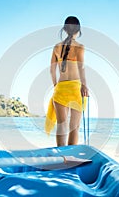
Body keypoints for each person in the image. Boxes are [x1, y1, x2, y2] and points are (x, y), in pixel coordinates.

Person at [45, 16, 88, 146]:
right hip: (76, 88)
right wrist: (84, 85)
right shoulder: (80, 47)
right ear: (78, 30)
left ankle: (61, 156)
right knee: (74, 127)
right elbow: (81, 67)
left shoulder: (56, 47)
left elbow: (52, 70)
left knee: (61, 126)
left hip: (61, 88)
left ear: (64, 29)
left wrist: (55, 86)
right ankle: (70, 157)